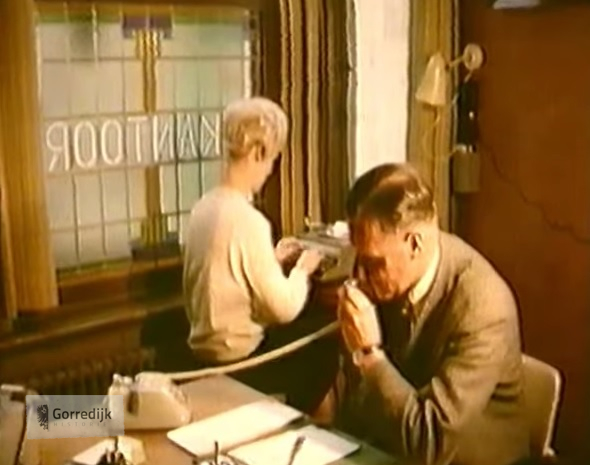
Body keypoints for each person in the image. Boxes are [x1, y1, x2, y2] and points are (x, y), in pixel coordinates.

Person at [318, 163, 530, 465]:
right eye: (357, 258)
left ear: (415, 243)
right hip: (393, 447)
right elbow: (350, 387)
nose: (359, 276)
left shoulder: (483, 307)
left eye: (373, 263)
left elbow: (431, 442)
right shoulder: (388, 271)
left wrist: (369, 353)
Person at [183, 96, 323, 365]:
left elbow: (223, 276)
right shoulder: (250, 221)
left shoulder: (202, 208)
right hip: (241, 358)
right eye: (272, 159)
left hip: (201, 354)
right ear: (259, 152)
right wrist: (302, 270)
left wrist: (272, 259)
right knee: (321, 344)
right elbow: (284, 309)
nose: (270, 170)